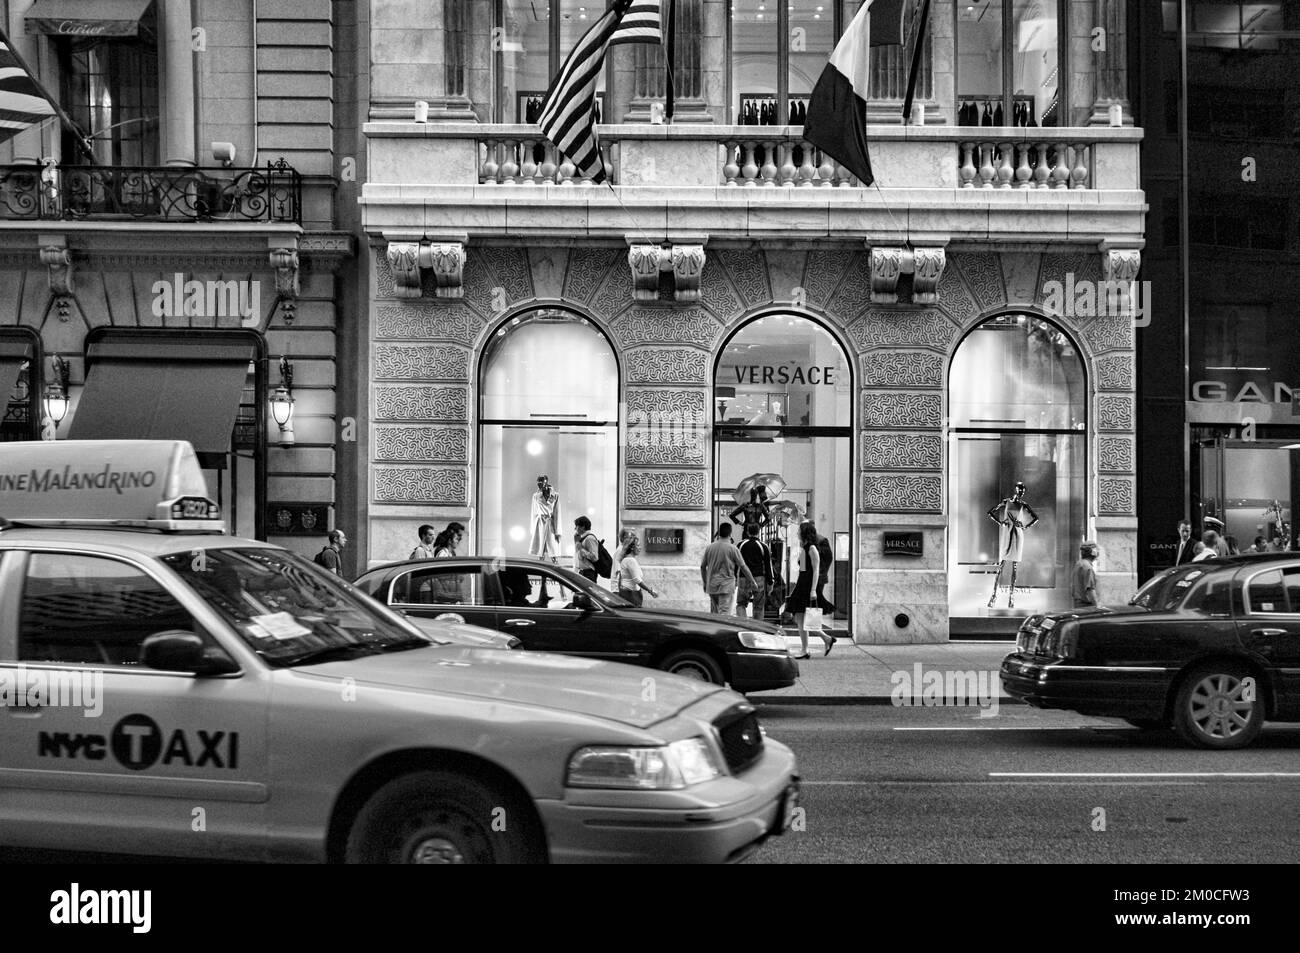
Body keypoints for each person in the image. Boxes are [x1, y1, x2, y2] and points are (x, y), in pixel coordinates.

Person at [786, 521, 834, 658]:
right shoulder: (805, 547)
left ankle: (806, 649)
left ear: (804, 533)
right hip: (802, 584)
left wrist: (813, 590)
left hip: (808, 586)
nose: (797, 533)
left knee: (802, 619)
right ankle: (823, 640)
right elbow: (802, 570)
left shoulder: (812, 548)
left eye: (799, 531)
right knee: (800, 618)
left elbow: (816, 570)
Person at [699, 522, 756, 615]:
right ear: (730, 534)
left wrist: (705, 583)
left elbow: (702, 567)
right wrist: (752, 581)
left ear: (719, 533)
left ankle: (715, 628)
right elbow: (743, 567)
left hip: (712, 585)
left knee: (715, 613)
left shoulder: (709, 547)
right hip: (726, 586)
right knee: (724, 613)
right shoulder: (732, 548)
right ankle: (722, 629)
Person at [736, 523, 773, 621]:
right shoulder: (763, 546)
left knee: (741, 604)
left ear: (747, 532)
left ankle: (743, 625)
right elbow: (768, 565)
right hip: (759, 577)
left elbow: (736, 562)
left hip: (743, 577)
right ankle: (757, 628)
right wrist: (770, 582)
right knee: (759, 605)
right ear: (758, 532)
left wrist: (735, 577)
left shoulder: (740, 545)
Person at [616, 533, 658, 607]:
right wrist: (650, 591)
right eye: (638, 545)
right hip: (631, 595)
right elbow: (637, 580)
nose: (640, 548)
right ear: (632, 548)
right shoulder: (630, 560)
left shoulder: (626, 559)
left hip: (629, 593)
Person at [529, 475, 562, 562]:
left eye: (541, 483)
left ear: (546, 482)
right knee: (540, 551)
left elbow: (557, 513)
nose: (539, 485)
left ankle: (556, 568)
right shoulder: (536, 496)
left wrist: (558, 531)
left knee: (553, 550)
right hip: (539, 523)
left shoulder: (555, 495)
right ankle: (542, 572)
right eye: (538, 483)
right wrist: (532, 530)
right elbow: (534, 513)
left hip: (550, 522)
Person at [1071, 541, 1099, 608]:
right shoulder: (1088, 567)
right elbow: (1090, 590)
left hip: (1077, 604)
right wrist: (1097, 606)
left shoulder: (1079, 564)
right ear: (1093, 552)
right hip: (1086, 606)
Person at [573, 516, 600, 582]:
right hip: (583, 572)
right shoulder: (583, 538)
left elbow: (594, 557)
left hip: (588, 574)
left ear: (583, 527)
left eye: (576, 526)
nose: (575, 528)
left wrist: (581, 549)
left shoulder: (589, 538)